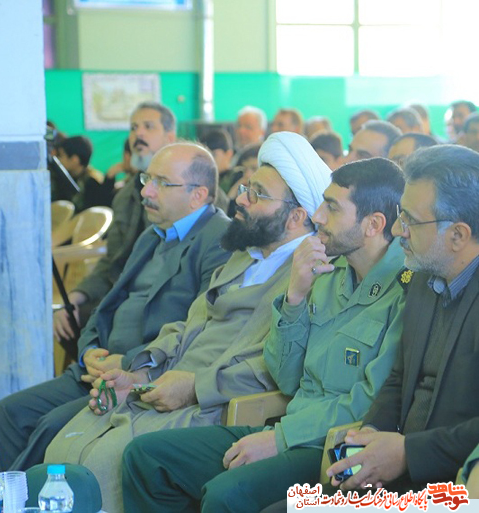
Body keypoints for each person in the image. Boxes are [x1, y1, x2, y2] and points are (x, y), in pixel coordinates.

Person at [43, 131, 332, 513]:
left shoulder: (309, 275)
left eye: (257, 194)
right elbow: (187, 324)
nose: (240, 199)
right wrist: (141, 371)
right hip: (163, 385)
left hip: (213, 404)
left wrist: (194, 387)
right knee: (63, 448)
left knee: (103, 463)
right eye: (246, 188)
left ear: (296, 216)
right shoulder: (246, 256)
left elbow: (273, 368)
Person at [120, 157, 408, 513]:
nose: (317, 216)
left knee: (227, 494)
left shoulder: (405, 291)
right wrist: (295, 296)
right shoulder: (329, 272)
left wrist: (280, 439)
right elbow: (286, 378)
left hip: (335, 449)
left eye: (332, 207)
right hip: (289, 427)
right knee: (147, 457)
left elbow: (372, 403)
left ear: (373, 224)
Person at [0, 142, 231, 472]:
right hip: (97, 367)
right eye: (147, 179)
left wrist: (128, 362)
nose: (146, 191)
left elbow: (201, 329)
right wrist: (89, 349)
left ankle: (26, 496)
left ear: (197, 195)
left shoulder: (219, 239)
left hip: (139, 377)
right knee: (8, 412)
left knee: (51, 427)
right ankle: (0, 495)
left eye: (161, 183)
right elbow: (110, 302)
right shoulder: (153, 235)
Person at [327, 145, 479, 494]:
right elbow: (400, 377)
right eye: (399, 214)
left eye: (409, 219)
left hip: (454, 484)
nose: (397, 229)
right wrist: (372, 434)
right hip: (396, 470)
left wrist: (408, 453)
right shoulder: (423, 277)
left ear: (458, 235)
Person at [53, 101, 176, 339]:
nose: (138, 134)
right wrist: (76, 297)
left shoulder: (182, 193)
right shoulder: (125, 196)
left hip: (160, 301)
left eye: (148, 127)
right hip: (122, 292)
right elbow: (113, 261)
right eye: (134, 128)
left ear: (170, 137)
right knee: (66, 318)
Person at [51, 136, 114, 212]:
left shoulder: (92, 184)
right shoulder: (67, 177)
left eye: (61, 156)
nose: (58, 160)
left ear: (74, 159)